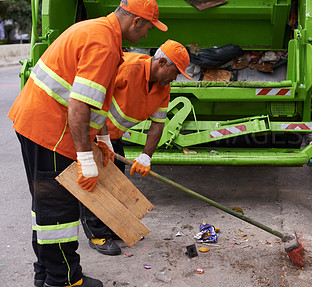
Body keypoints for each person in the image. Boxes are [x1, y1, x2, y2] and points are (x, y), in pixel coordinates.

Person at [7, 0, 167, 286]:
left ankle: (44, 272)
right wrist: (85, 158)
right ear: (136, 22)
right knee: (60, 212)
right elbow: (79, 106)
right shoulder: (105, 44)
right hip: (52, 132)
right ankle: (65, 280)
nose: (146, 36)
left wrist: (103, 138)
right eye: (148, 28)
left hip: (36, 123)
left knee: (43, 207)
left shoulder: (98, 31)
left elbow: (93, 101)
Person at [80, 40, 191, 256]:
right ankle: (97, 234)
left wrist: (145, 157)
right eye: (175, 71)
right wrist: (99, 138)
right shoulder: (128, 68)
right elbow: (96, 99)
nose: (175, 77)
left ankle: (110, 227)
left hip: (113, 136)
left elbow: (158, 124)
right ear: (160, 62)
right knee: (94, 181)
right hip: (92, 130)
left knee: (114, 181)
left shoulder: (163, 88)